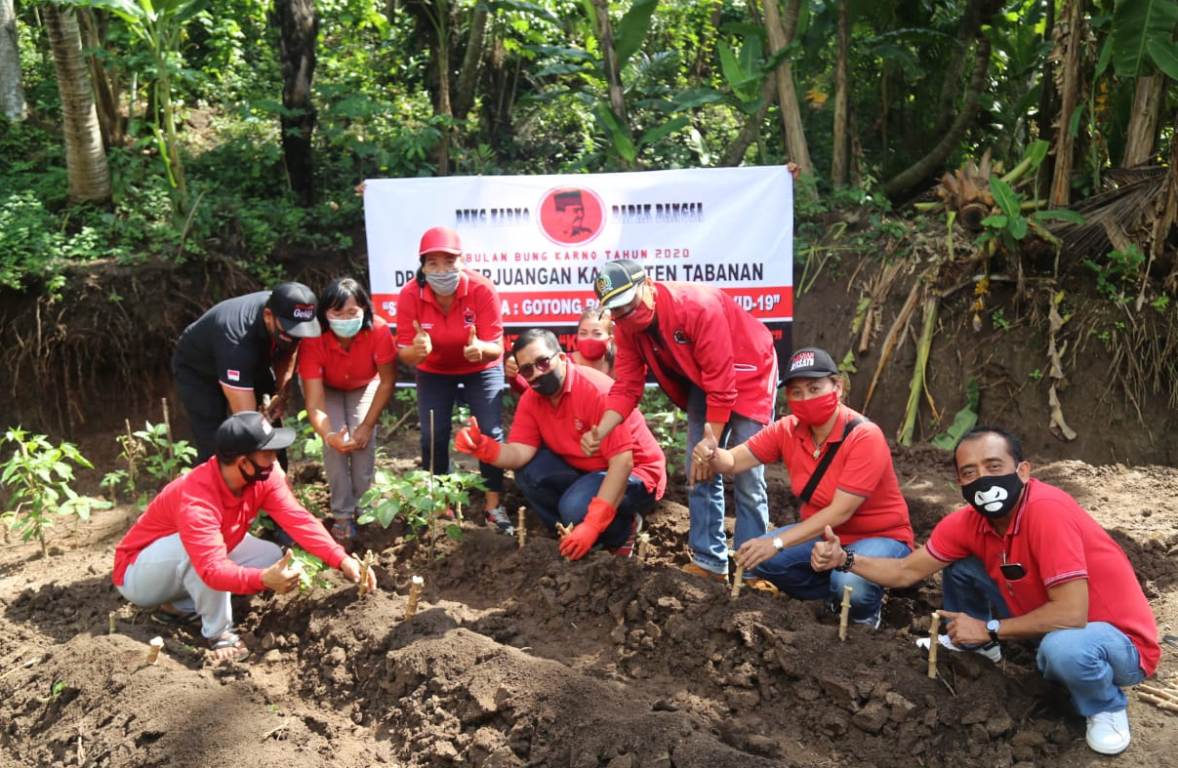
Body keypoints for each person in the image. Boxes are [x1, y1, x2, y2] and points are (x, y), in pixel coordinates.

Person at [810, 427, 1160, 756]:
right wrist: (844, 558)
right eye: (969, 472)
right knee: (962, 565)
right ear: (959, 482)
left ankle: (1105, 706)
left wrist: (990, 627)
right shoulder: (968, 524)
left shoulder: (1046, 511)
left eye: (994, 466)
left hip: (1116, 644)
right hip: (1048, 626)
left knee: (1064, 648)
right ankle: (980, 650)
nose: (983, 480)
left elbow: (1072, 614)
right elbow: (906, 571)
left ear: (1023, 471)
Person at [112, 412, 377, 663]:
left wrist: (340, 559)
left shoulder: (264, 476)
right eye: (267, 453)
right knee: (195, 553)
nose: (275, 459)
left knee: (271, 557)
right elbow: (212, 568)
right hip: (138, 574)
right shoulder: (198, 500)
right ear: (243, 462)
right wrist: (262, 580)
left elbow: (298, 519)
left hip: (195, 558)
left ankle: (179, 606)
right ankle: (219, 635)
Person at [586, 259, 777, 581]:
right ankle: (710, 561)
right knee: (697, 472)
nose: (626, 316)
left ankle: (754, 570)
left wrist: (710, 444)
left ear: (647, 285)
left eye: (628, 304)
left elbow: (723, 381)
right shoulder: (627, 328)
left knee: (747, 476)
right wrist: (601, 430)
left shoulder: (696, 306)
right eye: (616, 311)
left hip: (747, 371)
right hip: (703, 381)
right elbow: (628, 385)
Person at [696, 346, 914, 626]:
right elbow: (734, 461)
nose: (805, 398)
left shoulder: (864, 436)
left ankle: (863, 614)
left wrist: (776, 541)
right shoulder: (787, 429)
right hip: (824, 534)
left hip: (880, 536)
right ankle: (832, 599)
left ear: (838, 387)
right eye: (796, 392)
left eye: (814, 388)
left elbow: (840, 512)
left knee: (849, 583)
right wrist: (714, 455)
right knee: (760, 558)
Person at [455, 329, 665, 558]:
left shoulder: (597, 392)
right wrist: (483, 446)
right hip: (586, 471)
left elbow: (622, 463)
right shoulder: (532, 400)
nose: (536, 373)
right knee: (528, 473)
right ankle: (575, 531)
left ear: (562, 358)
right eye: (527, 369)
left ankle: (622, 531)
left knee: (574, 508)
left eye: (543, 362)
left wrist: (592, 525)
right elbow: (520, 453)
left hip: (637, 475)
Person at [396, 226, 512, 533]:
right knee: (433, 435)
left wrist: (480, 349)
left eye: (449, 262)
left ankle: (493, 506)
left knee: (489, 432)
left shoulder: (482, 289)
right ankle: (440, 502)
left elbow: (496, 346)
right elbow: (405, 354)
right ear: (422, 266)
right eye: (432, 263)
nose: (442, 270)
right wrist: (417, 351)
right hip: (434, 371)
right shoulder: (410, 295)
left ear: (462, 261)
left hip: (481, 368)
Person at [173, 282, 321, 462]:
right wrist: (269, 463)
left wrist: (281, 394)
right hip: (200, 372)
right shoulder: (236, 337)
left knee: (271, 426)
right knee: (216, 440)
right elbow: (247, 420)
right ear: (268, 316)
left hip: (253, 360)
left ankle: (273, 486)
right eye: (289, 330)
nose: (294, 336)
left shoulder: (286, 312)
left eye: (299, 332)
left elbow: (289, 350)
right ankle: (222, 487)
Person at [298, 277, 396, 544]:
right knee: (336, 445)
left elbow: (387, 381)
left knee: (361, 439)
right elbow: (316, 403)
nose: (345, 318)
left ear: (364, 309)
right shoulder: (313, 339)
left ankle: (365, 509)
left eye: (352, 312)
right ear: (324, 314)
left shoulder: (378, 330)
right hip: (326, 388)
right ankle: (342, 514)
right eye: (336, 313)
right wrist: (329, 435)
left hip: (365, 385)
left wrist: (366, 426)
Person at [505, 307, 616, 393]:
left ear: (610, 339)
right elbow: (534, 390)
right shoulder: (561, 362)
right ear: (577, 336)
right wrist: (514, 376)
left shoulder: (620, 367)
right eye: (583, 333)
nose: (589, 338)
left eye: (596, 333)